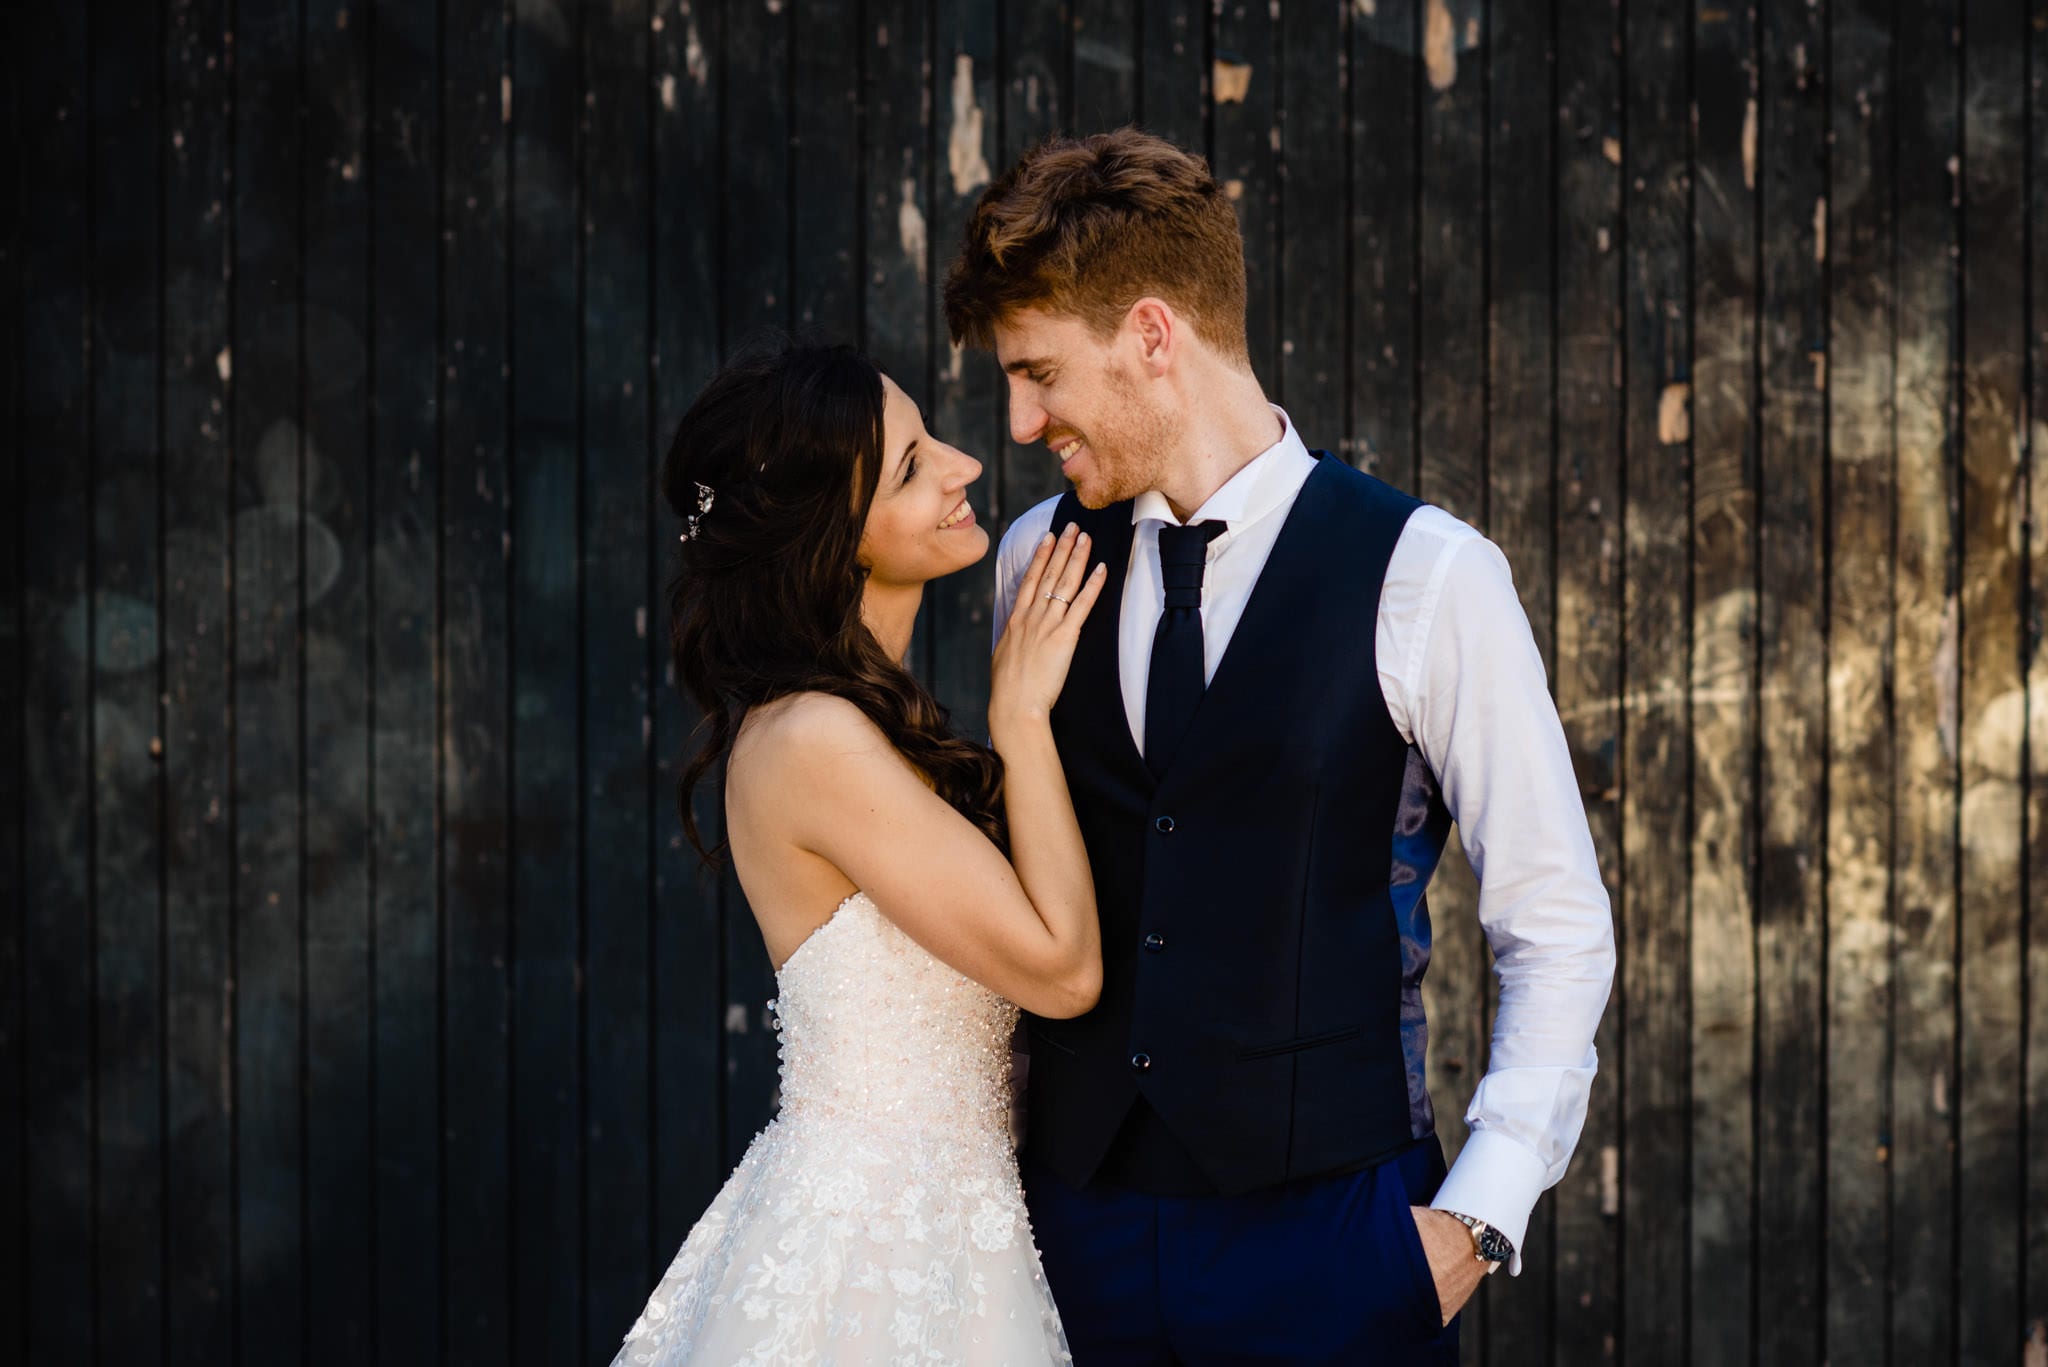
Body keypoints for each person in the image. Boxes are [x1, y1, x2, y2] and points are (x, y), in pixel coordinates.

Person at [945, 129, 1617, 1365]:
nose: (1022, 419)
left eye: (1038, 372)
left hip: (1331, 1238)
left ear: (1152, 336)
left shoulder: (1429, 575)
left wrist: (1476, 1215)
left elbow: (1554, 922)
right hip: (1071, 1232)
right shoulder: (1033, 554)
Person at [612, 338, 1106, 1365]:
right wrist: (1020, 715)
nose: (965, 463)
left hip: (954, 1224)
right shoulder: (813, 742)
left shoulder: (862, 721)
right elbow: (1060, 969)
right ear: (837, 539)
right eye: (914, 464)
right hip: (879, 1255)